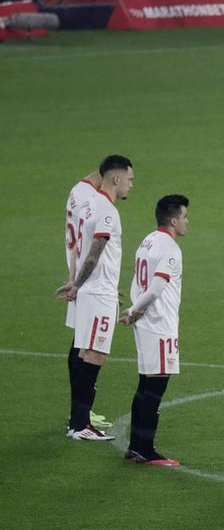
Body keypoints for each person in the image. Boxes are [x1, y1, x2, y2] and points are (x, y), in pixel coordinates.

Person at [55, 155, 134, 442]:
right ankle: (80, 425)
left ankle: (77, 422)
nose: (131, 185)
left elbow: (79, 249)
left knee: (85, 350)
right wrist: (78, 283)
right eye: (130, 179)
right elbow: (96, 250)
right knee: (95, 355)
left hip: (96, 288)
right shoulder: (107, 210)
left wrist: (78, 281)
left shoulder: (90, 205)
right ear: (116, 178)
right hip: (96, 293)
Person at [118, 195, 190, 467]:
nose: (186, 222)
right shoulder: (170, 248)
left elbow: (138, 281)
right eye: (184, 217)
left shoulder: (147, 241)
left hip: (145, 323)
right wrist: (134, 310)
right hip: (160, 324)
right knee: (155, 389)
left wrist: (135, 313)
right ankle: (146, 449)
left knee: (145, 385)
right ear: (173, 220)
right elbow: (157, 287)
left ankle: (136, 446)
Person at [63, 167, 112, 433]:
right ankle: (80, 417)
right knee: (85, 347)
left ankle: (79, 415)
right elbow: (87, 246)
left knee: (81, 343)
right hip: (85, 280)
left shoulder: (78, 192)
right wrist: (82, 282)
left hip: (81, 277)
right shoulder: (92, 200)